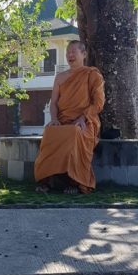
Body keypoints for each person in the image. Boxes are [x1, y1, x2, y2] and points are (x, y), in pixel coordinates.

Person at [34, 40, 105, 194]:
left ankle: (74, 182)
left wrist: (83, 118)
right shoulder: (60, 77)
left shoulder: (92, 75)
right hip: (62, 120)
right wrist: (54, 119)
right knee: (49, 132)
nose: (69, 55)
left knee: (74, 132)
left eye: (73, 52)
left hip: (86, 121)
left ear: (84, 54)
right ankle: (45, 181)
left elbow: (98, 103)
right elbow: (54, 103)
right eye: (67, 52)